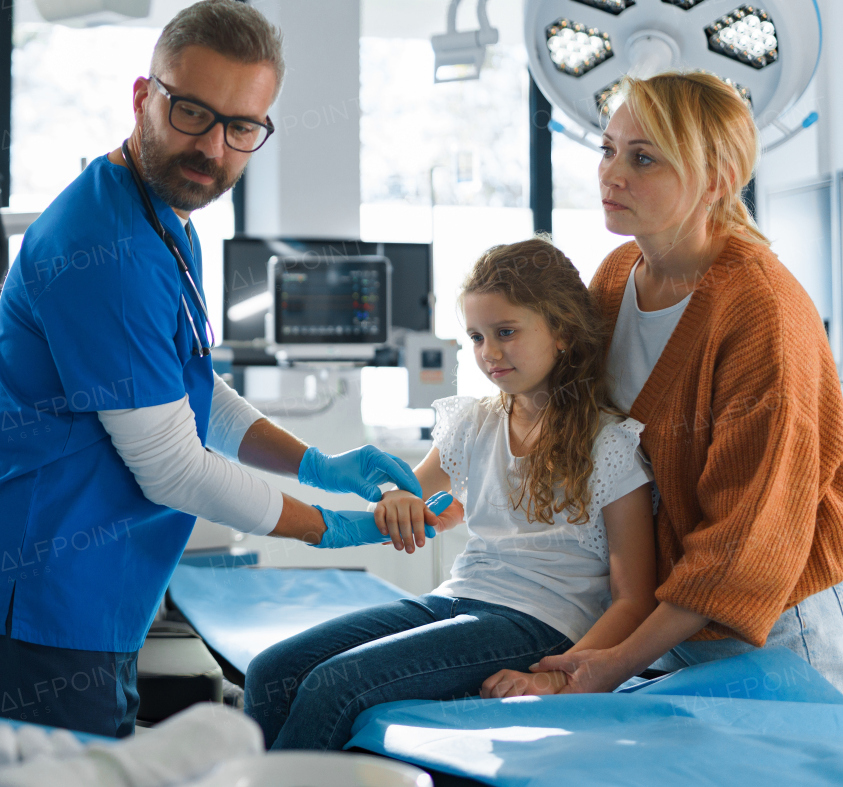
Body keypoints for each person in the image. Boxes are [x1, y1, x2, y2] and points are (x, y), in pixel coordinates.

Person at [0, 0, 423, 738]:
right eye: (192, 113)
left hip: (90, 584)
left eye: (242, 128)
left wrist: (317, 465)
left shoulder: (166, 215)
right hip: (37, 591)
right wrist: (321, 526)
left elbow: (193, 392)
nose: (214, 148)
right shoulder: (108, 247)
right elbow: (171, 466)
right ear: (144, 96)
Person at [243, 237, 659, 750]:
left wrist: (561, 675)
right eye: (477, 337)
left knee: (335, 688)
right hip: (456, 599)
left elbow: (634, 599)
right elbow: (412, 491)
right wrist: (396, 498)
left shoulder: (610, 444)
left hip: (541, 622)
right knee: (270, 671)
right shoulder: (475, 423)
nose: (490, 353)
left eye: (506, 332)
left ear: (563, 331)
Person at [524, 72, 843, 692]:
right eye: (608, 148)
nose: (611, 174)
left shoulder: (761, 312)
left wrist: (614, 662)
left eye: (643, 158)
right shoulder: (618, 276)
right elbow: (573, 422)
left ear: (718, 180)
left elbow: (747, 537)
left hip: (766, 628)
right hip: (661, 616)